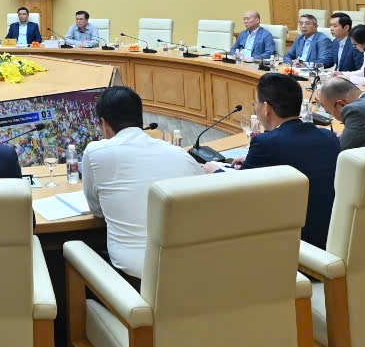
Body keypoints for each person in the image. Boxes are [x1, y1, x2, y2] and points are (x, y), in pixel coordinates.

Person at [81, 85, 206, 285]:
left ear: (104, 123)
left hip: (133, 281)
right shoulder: (181, 155)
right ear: (141, 118)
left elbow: (96, 211)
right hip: (190, 274)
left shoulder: (95, 153)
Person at [234, 74, 340, 248]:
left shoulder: (265, 143)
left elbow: (236, 190)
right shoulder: (328, 137)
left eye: (255, 104)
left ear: (266, 108)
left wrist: (214, 170)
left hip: (295, 242)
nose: (256, 109)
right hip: (331, 234)